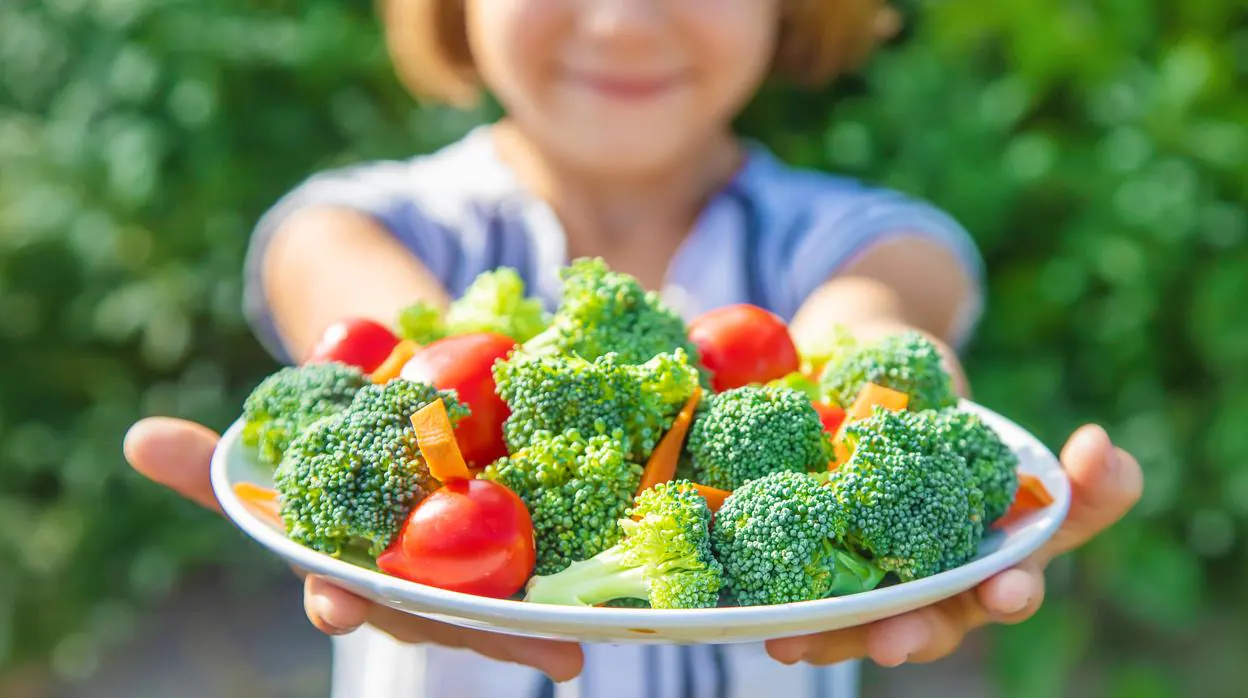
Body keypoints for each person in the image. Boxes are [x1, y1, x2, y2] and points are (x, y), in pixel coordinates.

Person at [123, 0, 1145, 696]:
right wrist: (428, 393)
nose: (620, 17)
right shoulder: (370, 222)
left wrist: (908, 427)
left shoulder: (861, 234)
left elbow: (883, 313)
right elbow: (370, 323)